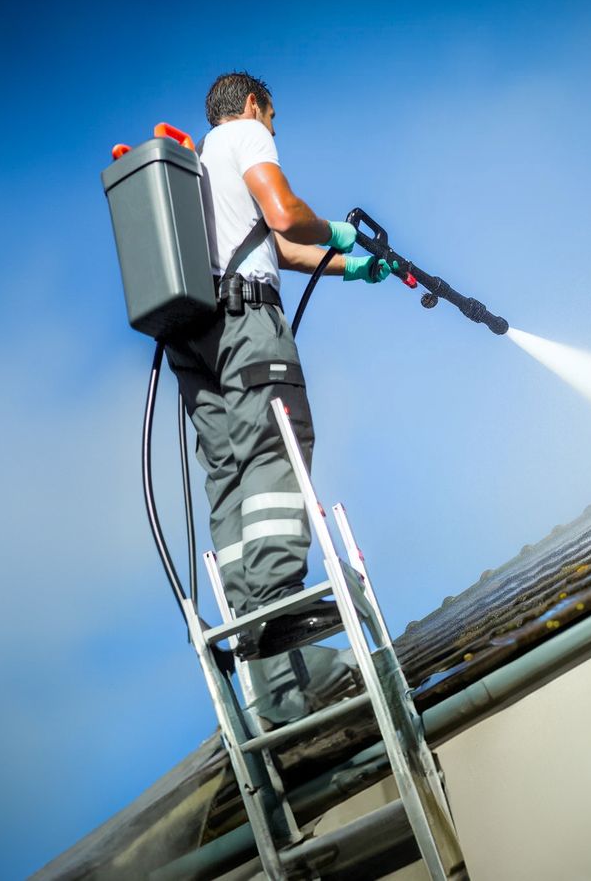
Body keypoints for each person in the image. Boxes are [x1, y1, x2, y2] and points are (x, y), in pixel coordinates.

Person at [166, 70, 392, 726]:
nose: (272, 130)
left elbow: (276, 247)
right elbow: (286, 215)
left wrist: (351, 265)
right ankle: (279, 605)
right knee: (276, 444)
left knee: (230, 475)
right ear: (257, 106)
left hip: (193, 339)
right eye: (273, 119)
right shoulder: (244, 135)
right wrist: (339, 232)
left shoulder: (194, 168)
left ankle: (269, 671)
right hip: (246, 323)